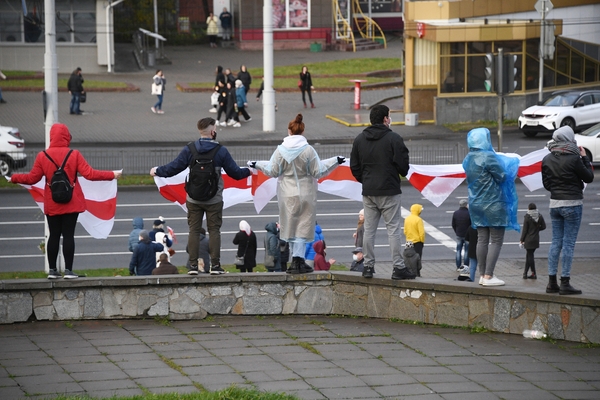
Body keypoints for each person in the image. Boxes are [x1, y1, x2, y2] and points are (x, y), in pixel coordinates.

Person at [9, 123, 121, 279]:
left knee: (54, 235)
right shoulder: (74, 154)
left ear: (51, 137)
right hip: (71, 202)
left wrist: (14, 178)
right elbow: (89, 174)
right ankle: (69, 271)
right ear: (66, 136)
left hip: (52, 202)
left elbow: (32, 178)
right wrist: (112, 174)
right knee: (68, 235)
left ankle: (53, 271)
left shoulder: (42, 156)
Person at [151, 117, 251, 275]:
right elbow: (236, 173)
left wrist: (157, 170)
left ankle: (192, 266)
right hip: (214, 199)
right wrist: (250, 170)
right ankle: (216, 266)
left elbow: (173, 168)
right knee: (214, 231)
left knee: (194, 231)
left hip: (193, 198)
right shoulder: (221, 151)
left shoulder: (190, 149)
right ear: (212, 131)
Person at [249, 114, 343, 274]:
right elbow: (319, 170)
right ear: (303, 131)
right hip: (306, 192)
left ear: (289, 131)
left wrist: (257, 164)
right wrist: (335, 160)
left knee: (290, 227)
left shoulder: (280, 150)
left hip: (286, 193)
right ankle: (299, 261)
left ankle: (295, 260)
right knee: (303, 227)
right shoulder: (308, 150)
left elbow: (272, 170)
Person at [350, 104, 414, 280]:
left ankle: (368, 267)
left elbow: (354, 167)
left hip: (369, 191)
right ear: (386, 119)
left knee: (369, 230)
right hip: (390, 190)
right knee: (393, 230)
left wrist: (366, 180)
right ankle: (398, 267)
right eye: (390, 115)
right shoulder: (394, 139)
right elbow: (403, 168)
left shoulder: (360, 139)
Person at [463, 127, 520, 287]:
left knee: (482, 239)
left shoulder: (468, 159)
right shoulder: (488, 157)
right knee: (496, 240)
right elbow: (502, 176)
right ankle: (489, 275)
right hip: (493, 204)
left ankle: (481, 275)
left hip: (476, 204)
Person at [541, 126, 594, 295]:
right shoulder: (574, 158)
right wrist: (585, 158)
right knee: (569, 243)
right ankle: (565, 282)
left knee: (556, 242)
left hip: (555, 204)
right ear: (569, 139)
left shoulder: (547, 158)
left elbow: (547, 184)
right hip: (572, 203)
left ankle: (551, 283)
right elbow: (589, 177)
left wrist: (557, 190)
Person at [520, 203, 546, 280]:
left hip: (528, 239)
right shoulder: (539, 216)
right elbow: (544, 226)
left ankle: (533, 273)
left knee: (530, 256)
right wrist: (537, 229)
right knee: (529, 256)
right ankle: (525, 273)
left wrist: (522, 239)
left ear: (529, 208)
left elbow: (525, 230)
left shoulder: (527, 217)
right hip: (535, 239)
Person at [452, 199, 471, 272]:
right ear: (466, 205)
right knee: (467, 251)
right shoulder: (469, 213)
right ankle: (466, 266)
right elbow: (471, 224)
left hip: (459, 234)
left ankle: (458, 266)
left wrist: (456, 231)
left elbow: (453, 224)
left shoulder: (456, 213)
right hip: (467, 235)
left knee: (458, 250)